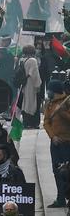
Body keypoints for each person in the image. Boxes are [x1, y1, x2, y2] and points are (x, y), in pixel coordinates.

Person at [43, 79, 70, 208]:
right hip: (55, 144)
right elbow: (46, 122)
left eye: (50, 90)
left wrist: (62, 112)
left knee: (67, 171)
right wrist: (52, 136)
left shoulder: (67, 102)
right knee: (56, 171)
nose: (48, 93)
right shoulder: (49, 104)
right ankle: (60, 198)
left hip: (67, 143)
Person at [19, 44, 42, 128]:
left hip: (24, 84)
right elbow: (35, 74)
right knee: (32, 104)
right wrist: (38, 85)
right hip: (31, 84)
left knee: (25, 103)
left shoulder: (22, 60)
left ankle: (26, 122)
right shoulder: (33, 60)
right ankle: (33, 123)